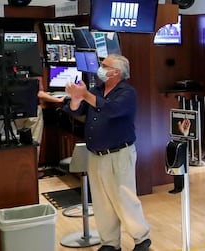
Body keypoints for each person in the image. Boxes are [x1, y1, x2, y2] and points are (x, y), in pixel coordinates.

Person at [63, 54, 151, 251]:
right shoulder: (97, 90)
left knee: (124, 198)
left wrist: (85, 95)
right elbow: (76, 111)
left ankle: (141, 238)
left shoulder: (127, 93)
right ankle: (110, 242)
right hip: (96, 154)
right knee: (102, 202)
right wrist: (76, 99)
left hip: (119, 154)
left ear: (116, 72)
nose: (100, 68)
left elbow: (111, 110)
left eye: (104, 65)